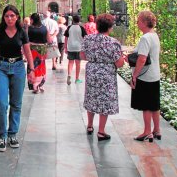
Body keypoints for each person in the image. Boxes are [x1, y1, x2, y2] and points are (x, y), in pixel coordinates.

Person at [0, 5, 34, 152]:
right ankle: (2, 135)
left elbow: (27, 51)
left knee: (16, 103)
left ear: (17, 17)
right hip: (1, 66)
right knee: (1, 103)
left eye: (12, 16)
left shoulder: (22, 32)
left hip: (18, 67)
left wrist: (31, 70)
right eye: (7, 16)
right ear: (4, 17)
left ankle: (12, 134)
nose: (9, 18)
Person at [80, 13, 125, 141]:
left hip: (92, 71)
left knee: (91, 96)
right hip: (107, 74)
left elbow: (82, 55)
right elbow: (119, 63)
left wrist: (94, 59)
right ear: (110, 27)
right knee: (104, 100)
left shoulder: (88, 39)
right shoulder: (113, 43)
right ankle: (101, 131)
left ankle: (89, 125)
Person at [131, 10, 161, 142]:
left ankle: (147, 131)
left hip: (145, 75)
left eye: (138, 20)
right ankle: (157, 130)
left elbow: (142, 59)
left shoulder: (145, 38)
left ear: (143, 22)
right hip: (155, 74)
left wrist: (135, 75)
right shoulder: (154, 35)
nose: (137, 23)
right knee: (154, 103)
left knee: (146, 105)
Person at [27, 13, 48, 93]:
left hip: (32, 49)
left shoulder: (29, 29)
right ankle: (39, 84)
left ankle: (34, 85)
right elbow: (49, 40)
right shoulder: (44, 28)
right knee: (41, 67)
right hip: (42, 50)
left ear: (32, 19)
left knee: (32, 66)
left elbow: (26, 40)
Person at [64, 15, 87, 85]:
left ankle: (69, 75)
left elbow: (66, 38)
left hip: (70, 47)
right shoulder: (81, 28)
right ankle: (77, 79)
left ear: (73, 20)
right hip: (78, 48)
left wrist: (65, 47)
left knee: (70, 62)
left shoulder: (69, 27)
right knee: (78, 63)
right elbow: (85, 38)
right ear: (79, 20)